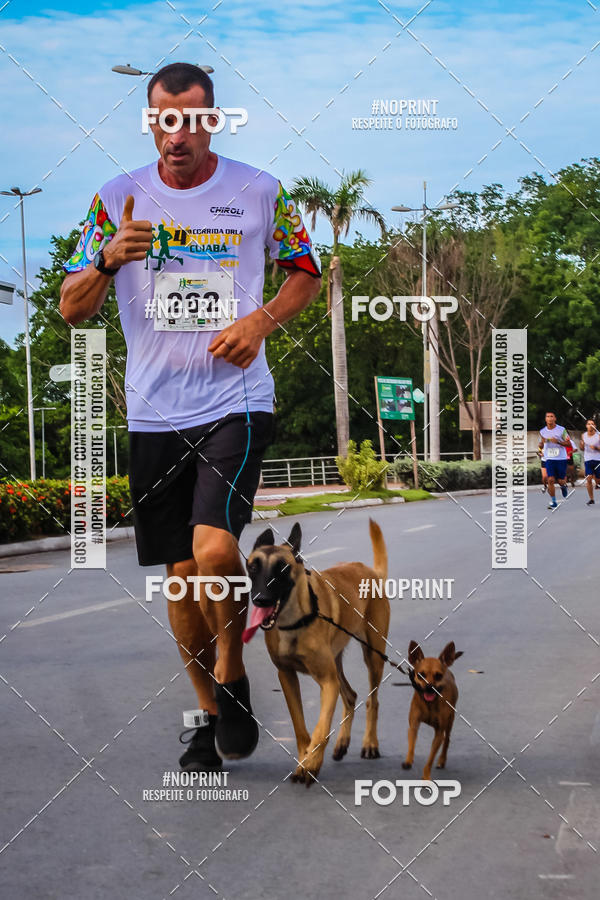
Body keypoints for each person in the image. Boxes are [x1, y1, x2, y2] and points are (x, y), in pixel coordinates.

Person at [59, 63, 322, 771]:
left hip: (234, 401)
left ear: (214, 121)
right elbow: (70, 306)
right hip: (151, 412)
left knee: (213, 552)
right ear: (151, 122)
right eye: (163, 120)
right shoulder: (116, 198)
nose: (177, 135)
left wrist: (260, 322)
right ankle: (211, 715)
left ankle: (233, 673)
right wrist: (109, 260)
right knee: (181, 576)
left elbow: (305, 271)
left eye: (192, 120)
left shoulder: (260, 190)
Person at [538, 412, 571, 510]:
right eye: (547, 416)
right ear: (545, 419)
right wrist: (541, 446)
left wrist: (559, 442)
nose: (549, 418)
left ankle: (563, 486)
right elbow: (543, 444)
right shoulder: (542, 431)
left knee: (561, 480)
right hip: (549, 458)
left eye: (551, 416)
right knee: (550, 480)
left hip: (561, 458)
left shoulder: (562, 430)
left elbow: (569, 443)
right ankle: (554, 501)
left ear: (555, 418)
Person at [579, 419, 600, 505]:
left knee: (598, 481)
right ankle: (591, 499)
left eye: (592, 424)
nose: (590, 425)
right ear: (586, 426)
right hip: (588, 460)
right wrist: (582, 445)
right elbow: (582, 449)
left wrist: (595, 448)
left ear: (595, 426)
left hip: (598, 460)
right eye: (588, 424)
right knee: (589, 478)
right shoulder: (583, 435)